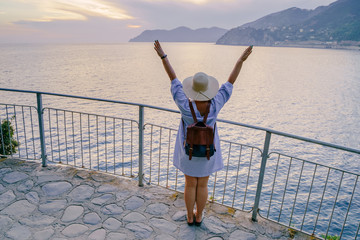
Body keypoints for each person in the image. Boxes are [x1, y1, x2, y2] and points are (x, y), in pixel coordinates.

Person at [154, 40, 252, 226]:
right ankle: (199, 216)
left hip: (188, 151)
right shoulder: (216, 104)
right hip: (208, 152)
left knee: (190, 184)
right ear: (208, 90)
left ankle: (189, 217)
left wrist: (163, 57)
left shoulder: (184, 104)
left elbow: (173, 79)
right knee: (203, 184)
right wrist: (241, 60)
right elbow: (230, 82)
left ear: (192, 89)